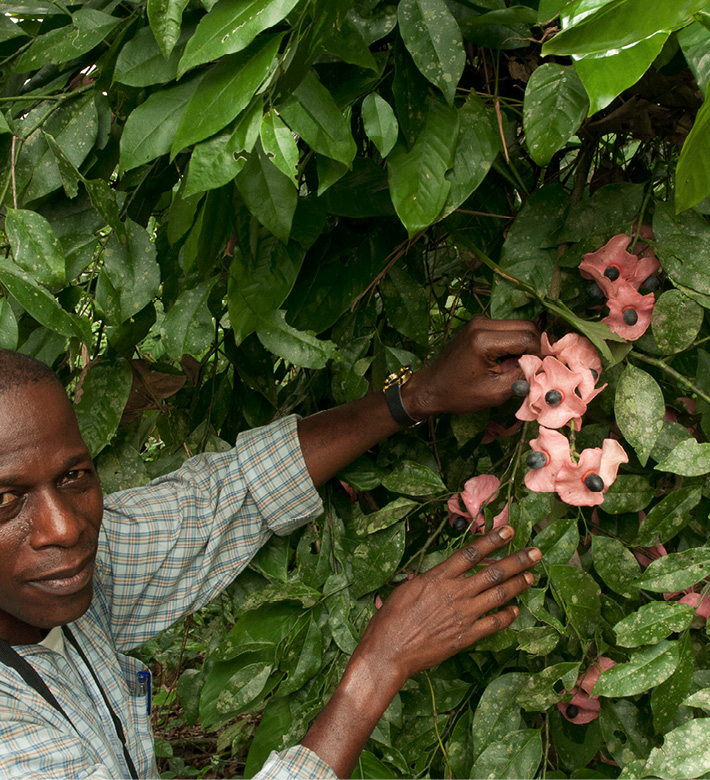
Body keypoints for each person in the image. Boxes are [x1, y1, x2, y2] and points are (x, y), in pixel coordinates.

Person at [0, 317, 542, 779]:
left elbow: (231, 493)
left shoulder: (54, 575)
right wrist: (381, 663)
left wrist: (417, 394)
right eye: (6, 500)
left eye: (73, 475)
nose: (64, 528)